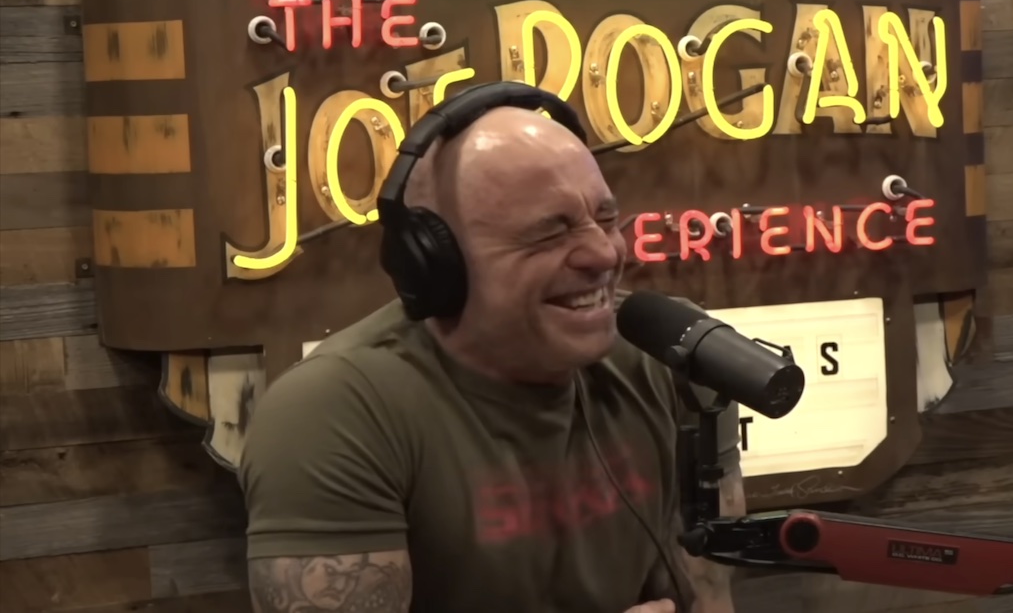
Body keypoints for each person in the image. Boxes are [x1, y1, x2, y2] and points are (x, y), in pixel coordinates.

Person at [237, 97, 745, 613]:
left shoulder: (665, 353)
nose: (604, 252)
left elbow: (709, 594)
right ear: (437, 264)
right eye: (550, 231)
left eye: (606, 219)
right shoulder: (335, 410)